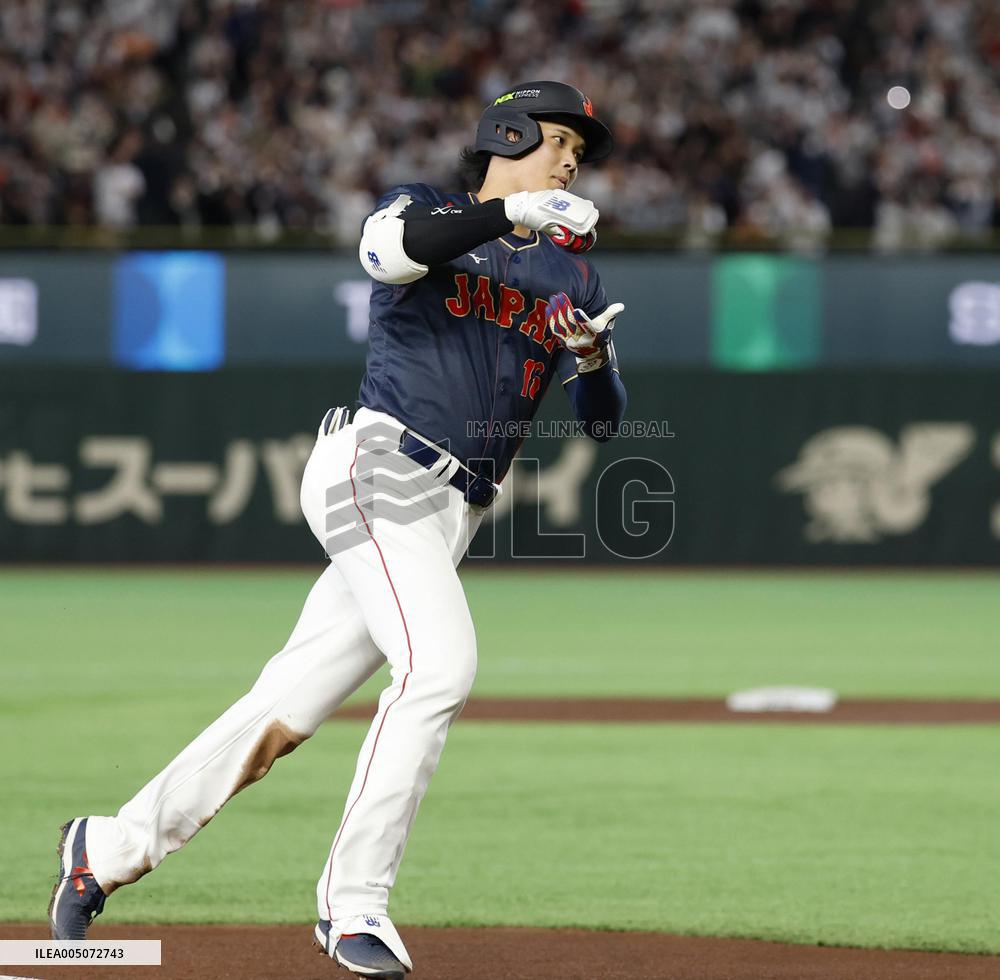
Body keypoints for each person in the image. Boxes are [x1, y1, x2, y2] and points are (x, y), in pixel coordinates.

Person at [48, 80, 627, 980]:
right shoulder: (426, 207)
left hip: (453, 512)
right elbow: (391, 256)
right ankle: (354, 906)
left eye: (577, 156)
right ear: (508, 133)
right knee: (439, 669)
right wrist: (509, 209)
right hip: (381, 466)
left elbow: (603, 422)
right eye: (559, 141)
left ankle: (108, 847)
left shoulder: (573, 272)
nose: (570, 162)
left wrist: (591, 357)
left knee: (286, 706)